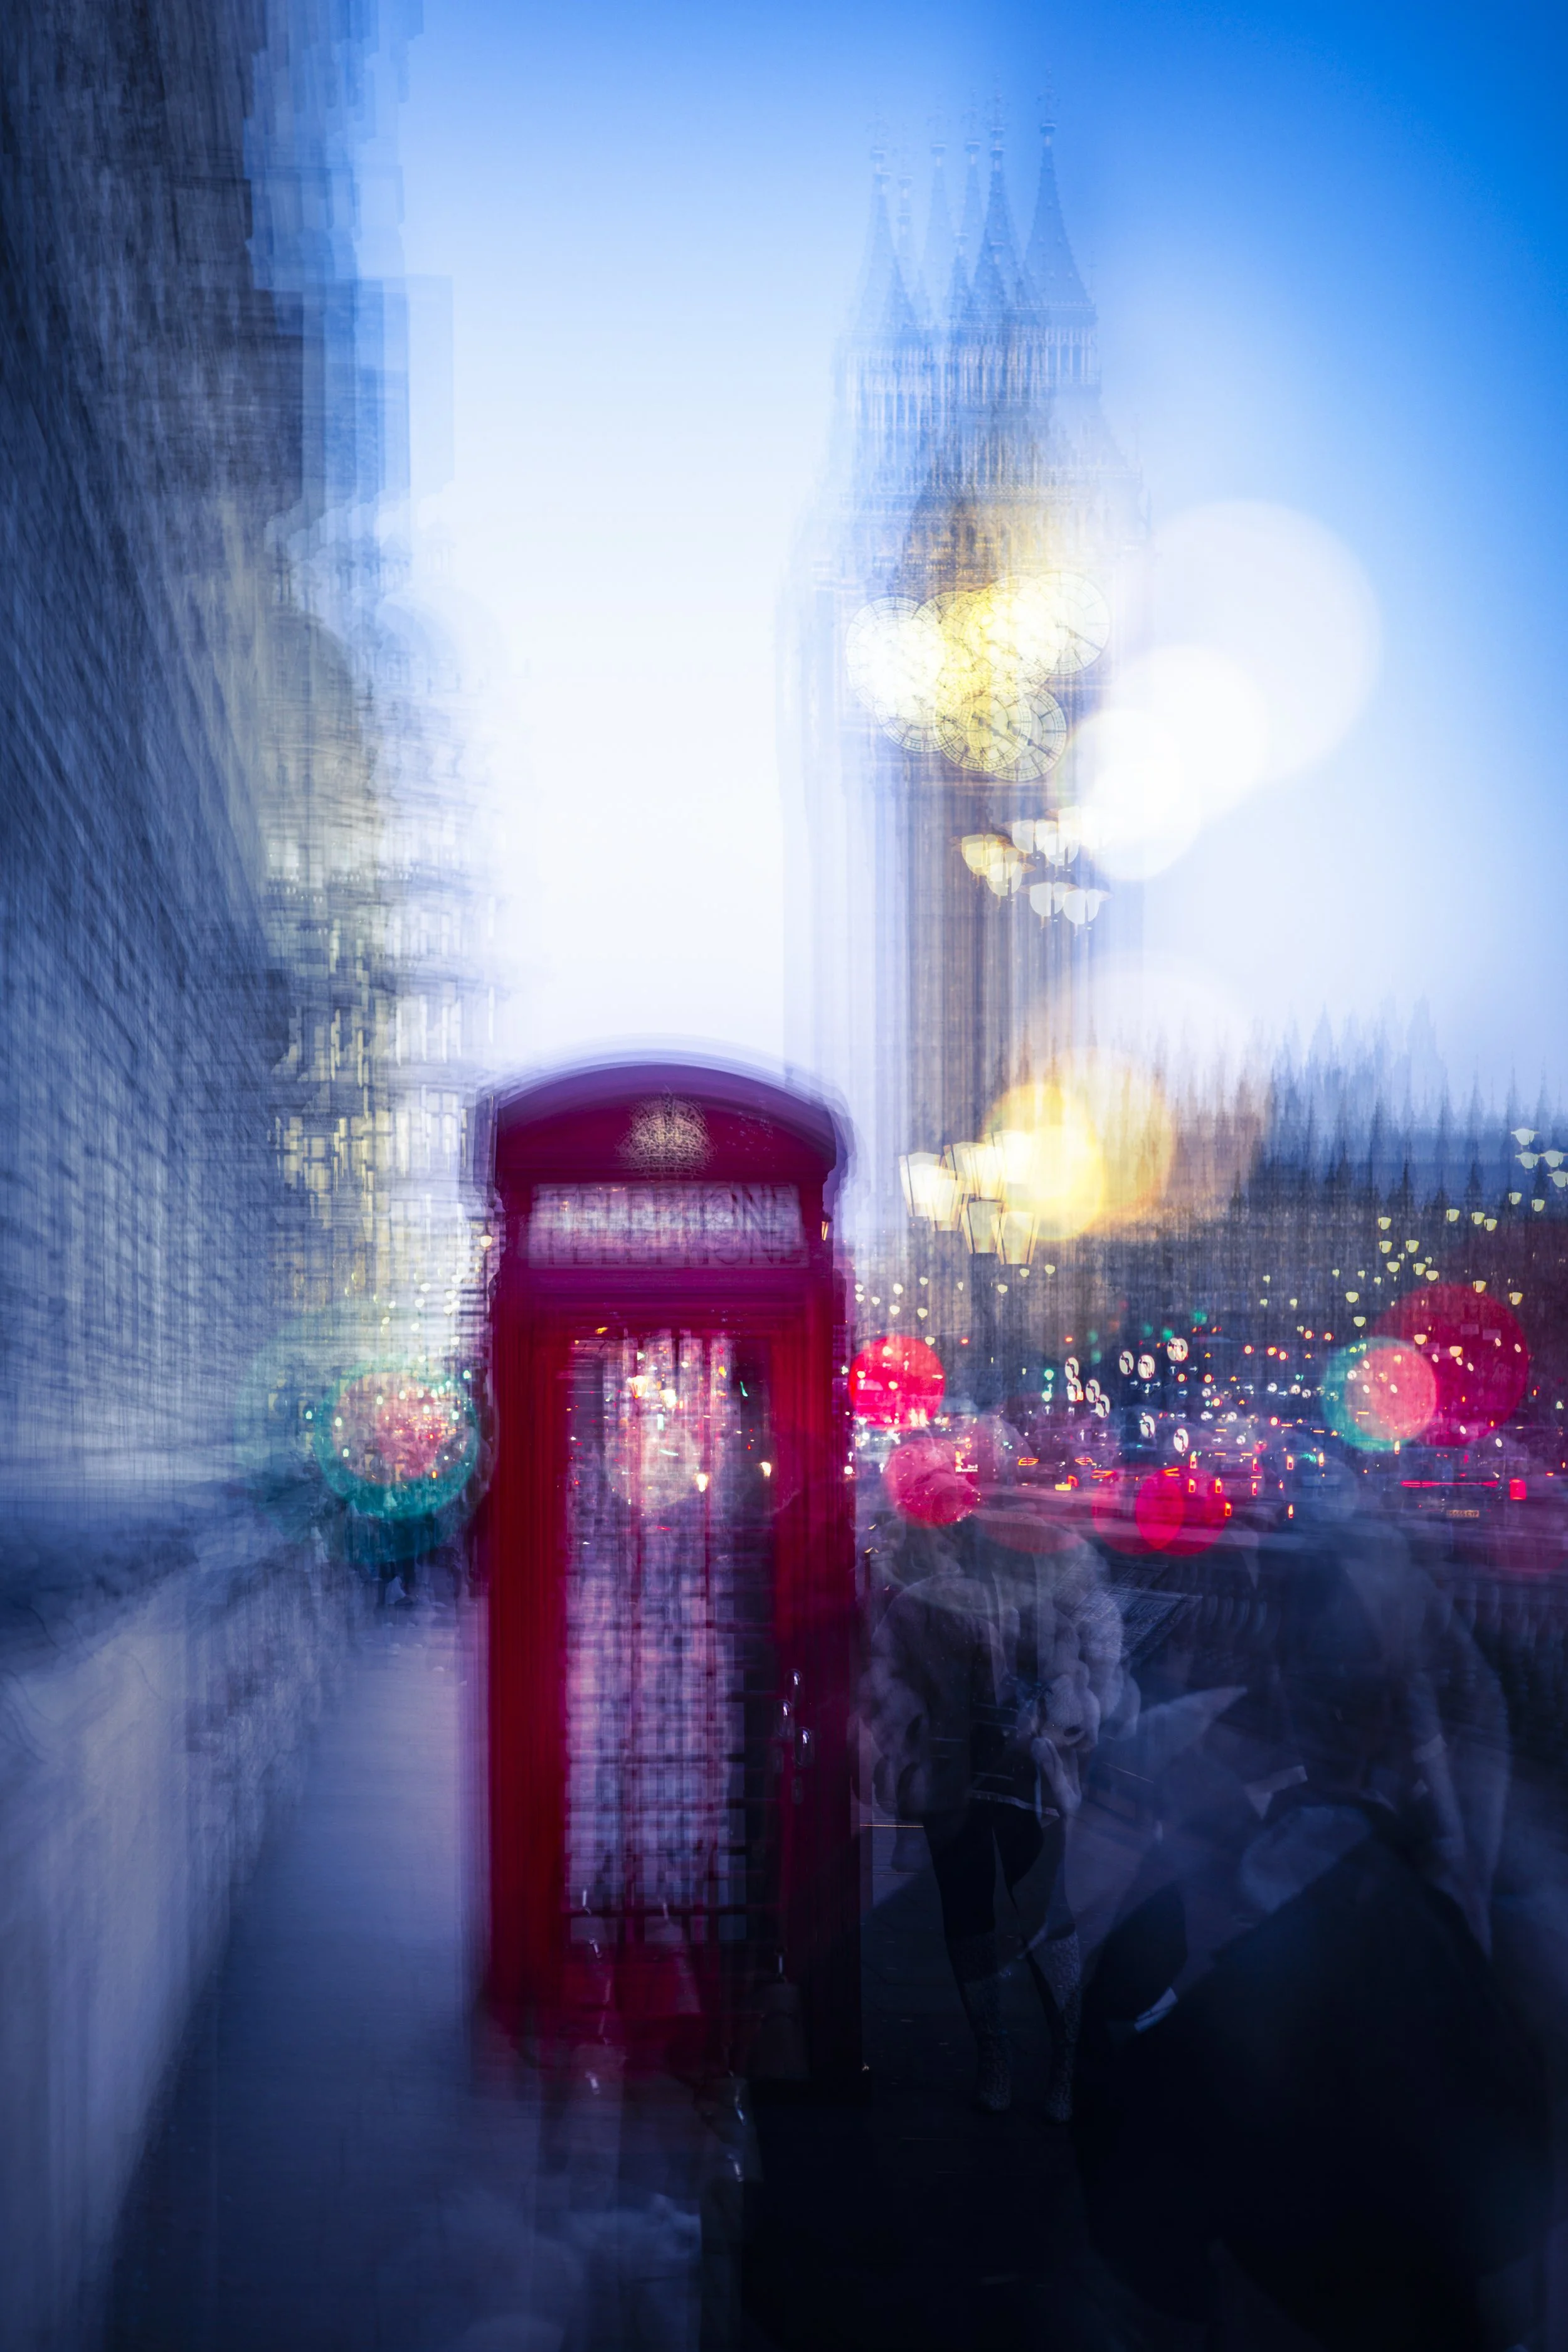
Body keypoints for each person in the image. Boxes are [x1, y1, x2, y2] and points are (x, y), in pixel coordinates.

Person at [859, 1506, 1132, 2117]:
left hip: (1018, 1778)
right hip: (961, 1775)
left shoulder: (1041, 1601)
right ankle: (1007, 2059)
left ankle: (1042, 2062)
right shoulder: (923, 1603)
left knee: (1031, 1918)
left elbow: (1090, 1686)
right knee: (977, 1917)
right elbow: (884, 1688)